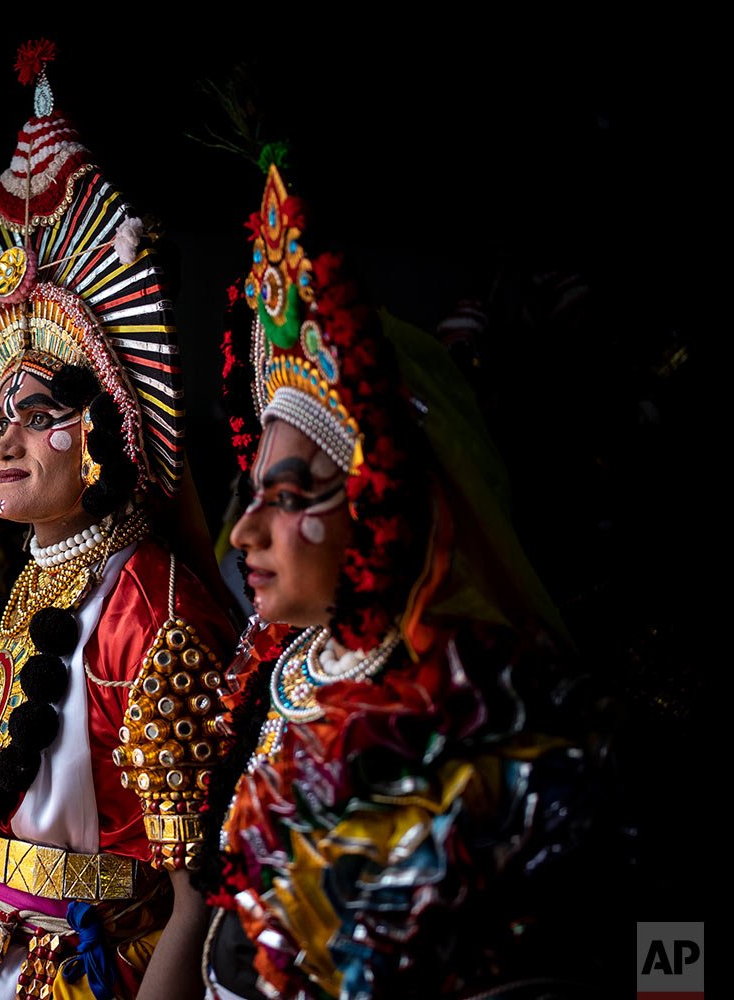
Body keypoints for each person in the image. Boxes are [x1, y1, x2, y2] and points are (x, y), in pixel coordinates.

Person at [196, 164, 622, 999]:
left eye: (288, 497)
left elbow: (665, 946)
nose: (245, 531)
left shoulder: (493, 719)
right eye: (251, 496)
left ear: (381, 494)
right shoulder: (275, 675)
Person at [0, 41, 237, 1000]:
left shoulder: (150, 604)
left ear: (107, 432)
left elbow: (197, 893)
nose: (4, 440)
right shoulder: (42, 571)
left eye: (39, 413)